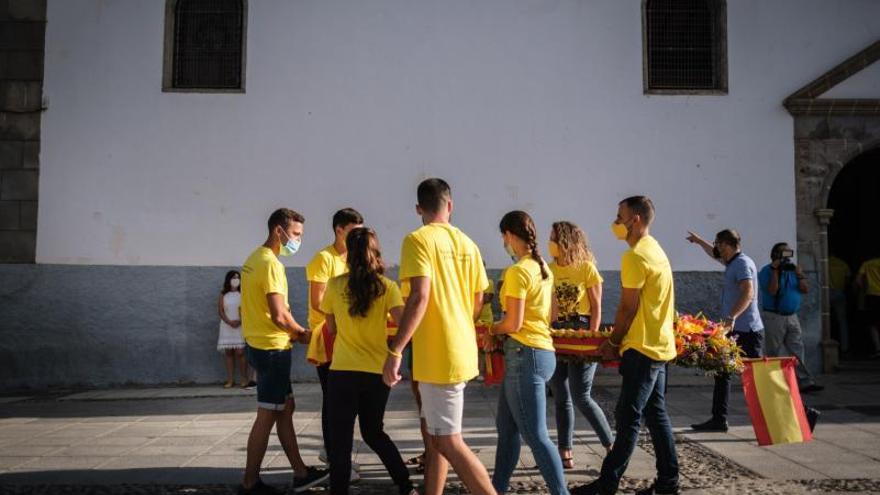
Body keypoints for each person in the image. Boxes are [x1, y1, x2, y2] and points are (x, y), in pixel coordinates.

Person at [383, 178, 495, 495]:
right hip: (458, 346)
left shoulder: (417, 240)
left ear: (418, 208)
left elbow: (419, 297)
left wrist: (396, 350)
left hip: (438, 353)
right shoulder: (468, 244)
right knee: (435, 439)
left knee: (447, 439)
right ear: (450, 204)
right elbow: (477, 302)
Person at [572, 196, 679, 495]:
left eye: (619, 217)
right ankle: (669, 482)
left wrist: (613, 341)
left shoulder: (635, 257)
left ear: (635, 220)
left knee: (628, 417)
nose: (615, 222)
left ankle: (607, 484)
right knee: (656, 415)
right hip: (660, 345)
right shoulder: (656, 249)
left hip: (642, 348)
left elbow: (627, 308)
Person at [321, 227, 416, 495]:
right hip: (376, 372)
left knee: (340, 442)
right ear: (376, 251)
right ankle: (405, 484)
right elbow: (404, 324)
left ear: (349, 253)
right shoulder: (387, 287)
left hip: (341, 372)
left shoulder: (335, 284)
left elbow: (331, 327)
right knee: (374, 433)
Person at [239, 208, 328, 495]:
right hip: (273, 349)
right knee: (267, 414)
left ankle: (300, 472)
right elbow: (279, 314)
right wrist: (302, 334)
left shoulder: (253, 259)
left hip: (257, 345)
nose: (298, 241)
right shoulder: (271, 265)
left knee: (285, 408)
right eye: (296, 234)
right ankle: (250, 482)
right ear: (279, 231)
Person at [489, 211, 569, 495]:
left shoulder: (518, 271)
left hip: (525, 353)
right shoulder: (541, 267)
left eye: (503, 237)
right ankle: (496, 488)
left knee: (536, 436)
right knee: (507, 429)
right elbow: (552, 313)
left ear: (510, 236)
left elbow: (513, 323)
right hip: (540, 352)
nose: (503, 243)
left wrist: (491, 329)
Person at [547, 221, 614, 467]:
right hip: (558, 331)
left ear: (565, 240)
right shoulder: (549, 269)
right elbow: (551, 309)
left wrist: (593, 338)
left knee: (581, 395)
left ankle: (610, 445)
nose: (550, 242)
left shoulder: (587, 269)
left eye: (553, 237)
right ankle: (565, 451)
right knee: (560, 394)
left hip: (582, 330)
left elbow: (596, 307)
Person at [304, 207, 364, 478]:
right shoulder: (324, 259)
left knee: (346, 400)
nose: (356, 237)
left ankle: (334, 452)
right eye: (352, 231)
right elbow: (318, 300)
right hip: (327, 335)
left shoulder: (353, 259)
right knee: (334, 400)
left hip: (348, 335)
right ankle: (335, 459)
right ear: (339, 229)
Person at [685, 229, 764, 432]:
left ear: (726, 245)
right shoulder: (733, 262)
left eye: (718, 244)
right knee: (722, 372)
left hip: (747, 330)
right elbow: (714, 254)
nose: (716, 248)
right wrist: (699, 241)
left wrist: (732, 317)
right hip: (735, 330)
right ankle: (719, 419)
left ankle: (795, 413)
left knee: (757, 379)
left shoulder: (742, 264)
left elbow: (748, 293)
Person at [758, 243, 823, 393]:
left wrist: (800, 275)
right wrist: (776, 270)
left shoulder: (793, 270)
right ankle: (771, 382)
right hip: (774, 317)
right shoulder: (766, 271)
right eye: (783, 253)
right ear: (775, 255)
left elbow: (805, 289)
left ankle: (804, 382)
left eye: (788, 253)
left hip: (792, 317)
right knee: (772, 351)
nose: (787, 257)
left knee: (797, 350)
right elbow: (772, 291)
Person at [217, 270, 251, 388]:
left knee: (241, 353)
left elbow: (247, 310)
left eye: (238, 277)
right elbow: (220, 311)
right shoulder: (223, 294)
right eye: (233, 277)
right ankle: (230, 380)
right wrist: (229, 322)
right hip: (227, 325)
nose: (236, 280)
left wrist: (240, 321)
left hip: (240, 325)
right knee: (229, 353)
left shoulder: (243, 293)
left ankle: (244, 378)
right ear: (228, 279)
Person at [855, 256, 880, 357]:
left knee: (873, 324)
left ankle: (878, 349)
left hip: (872, 295)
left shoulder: (867, 263)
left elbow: (858, 280)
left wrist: (863, 290)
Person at [828, 255, 851, 356]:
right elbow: (848, 280)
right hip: (839, 292)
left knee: (824, 320)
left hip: (826, 293)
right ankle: (844, 347)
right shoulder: (843, 264)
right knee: (842, 321)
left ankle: (827, 341)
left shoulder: (825, 262)